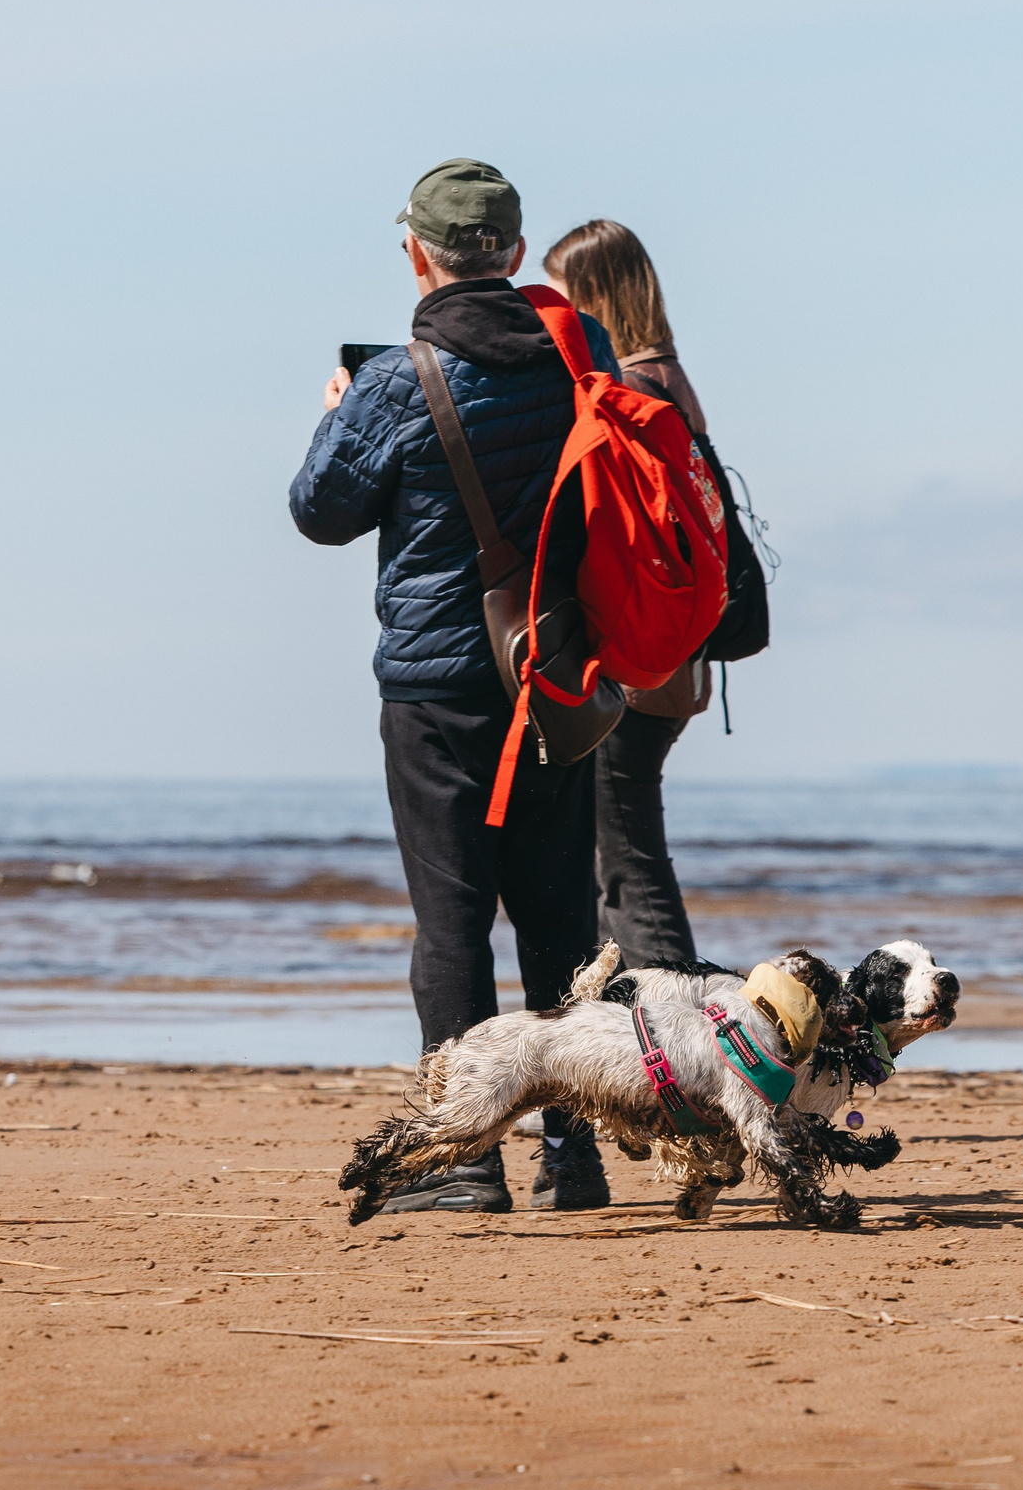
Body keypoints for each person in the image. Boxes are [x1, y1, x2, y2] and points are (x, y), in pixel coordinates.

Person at [288, 158, 618, 1213]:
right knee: (562, 922)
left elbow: (318, 510)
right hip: (558, 671)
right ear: (516, 253)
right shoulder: (583, 350)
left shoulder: (396, 377)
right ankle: (575, 1153)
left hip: (437, 686)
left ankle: (463, 1160)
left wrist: (339, 409)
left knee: (453, 921)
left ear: (417, 256)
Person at [542, 220, 713, 972]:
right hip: (675, 655)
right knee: (624, 853)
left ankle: (680, 1030)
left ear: (593, 295)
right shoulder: (669, 379)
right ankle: (643, 1037)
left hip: (636, 658)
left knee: (625, 862)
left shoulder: (628, 391)